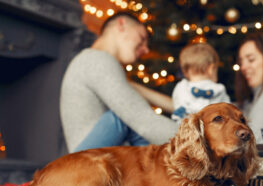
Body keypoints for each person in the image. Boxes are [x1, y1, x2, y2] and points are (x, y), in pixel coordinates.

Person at [60, 12, 178, 153]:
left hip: (88, 160)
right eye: (142, 38)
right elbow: (144, 120)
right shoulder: (98, 60)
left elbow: (148, 104)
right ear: (121, 25)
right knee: (126, 118)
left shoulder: (91, 62)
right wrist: (198, 140)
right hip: (87, 162)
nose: (146, 49)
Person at [171, 43, 230, 123]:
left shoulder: (181, 87)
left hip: (188, 131)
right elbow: (229, 111)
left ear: (185, 72)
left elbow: (177, 108)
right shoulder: (219, 89)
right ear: (211, 69)